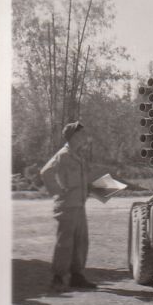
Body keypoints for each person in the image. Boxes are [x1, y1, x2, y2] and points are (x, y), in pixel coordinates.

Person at [39, 122, 97, 292]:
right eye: (81, 134)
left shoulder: (78, 156)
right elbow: (45, 172)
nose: (84, 137)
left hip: (79, 204)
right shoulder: (63, 155)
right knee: (65, 243)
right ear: (73, 136)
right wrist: (58, 192)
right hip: (67, 205)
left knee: (81, 241)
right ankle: (57, 278)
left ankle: (76, 276)